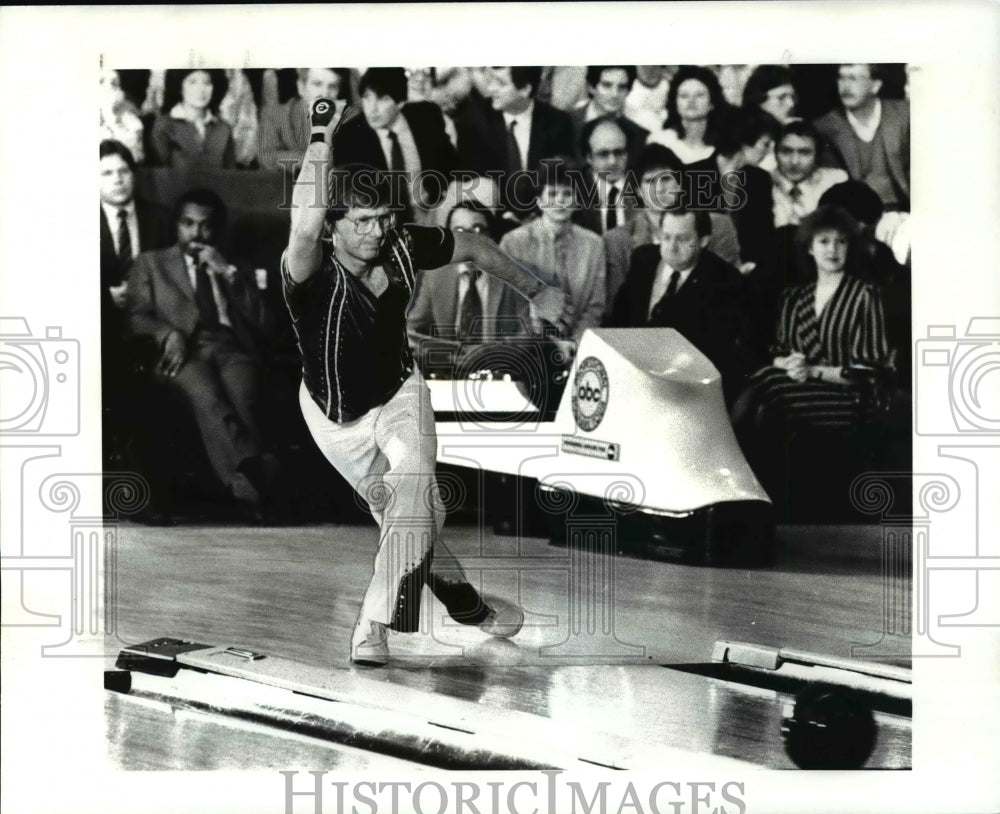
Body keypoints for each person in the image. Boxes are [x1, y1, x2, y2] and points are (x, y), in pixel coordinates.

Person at [283, 99, 567, 666]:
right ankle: (469, 608)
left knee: (414, 483)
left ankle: (373, 625)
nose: (376, 231)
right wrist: (321, 134)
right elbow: (305, 213)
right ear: (333, 227)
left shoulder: (403, 244)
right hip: (332, 418)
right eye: (360, 221)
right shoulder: (307, 270)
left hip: (399, 393)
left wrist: (536, 290)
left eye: (384, 217)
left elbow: (473, 246)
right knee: (413, 517)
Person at [126, 188, 277, 514]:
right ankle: (254, 481)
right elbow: (136, 316)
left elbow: (265, 323)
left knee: (245, 396)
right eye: (188, 224)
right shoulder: (152, 264)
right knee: (208, 397)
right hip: (184, 351)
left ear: (216, 229)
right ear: (177, 225)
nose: (196, 233)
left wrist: (229, 274)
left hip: (230, 349)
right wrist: (166, 333)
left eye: (205, 226)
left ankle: (247, 481)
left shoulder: (236, 266)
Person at [733, 205, 890, 490]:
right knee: (767, 385)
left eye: (841, 242)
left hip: (850, 399)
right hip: (796, 390)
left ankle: (735, 466)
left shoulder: (864, 295)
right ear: (809, 247)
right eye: (824, 241)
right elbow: (779, 352)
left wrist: (813, 371)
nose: (833, 250)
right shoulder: (794, 297)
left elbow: (868, 371)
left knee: (764, 385)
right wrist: (788, 364)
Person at [609, 207, 754, 405]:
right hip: (632, 375)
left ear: (703, 241)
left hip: (687, 387)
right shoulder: (643, 260)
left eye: (683, 239)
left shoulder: (725, 281)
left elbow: (716, 353)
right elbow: (618, 321)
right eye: (666, 237)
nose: (672, 247)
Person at [407, 203, 533, 374]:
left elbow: (528, 336)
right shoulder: (435, 276)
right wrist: (449, 353)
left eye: (477, 230)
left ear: (491, 239)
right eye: (458, 232)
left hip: (502, 375)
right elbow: (410, 333)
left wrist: (488, 353)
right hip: (449, 375)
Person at [499, 160, 606, 343]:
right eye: (552, 193)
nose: (560, 201)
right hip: (525, 346)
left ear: (577, 201)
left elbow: (595, 307)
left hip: (577, 347)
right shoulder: (514, 242)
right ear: (539, 201)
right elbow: (508, 305)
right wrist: (546, 346)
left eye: (567, 193)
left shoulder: (594, 245)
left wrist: (575, 344)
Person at [456, 66, 575, 218]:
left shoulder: (557, 124)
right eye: (491, 81)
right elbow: (470, 180)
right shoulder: (474, 120)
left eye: (501, 83)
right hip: (490, 219)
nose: (491, 88)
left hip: (541, 218)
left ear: (525, 89)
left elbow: (561, 181)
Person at [333, 67, 457, 215]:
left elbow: (452, 166)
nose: (372, 109)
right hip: (383, 222)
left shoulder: (428, 115)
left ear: (400, 103)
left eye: (383, 99)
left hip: (432, 214)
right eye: (367, 97)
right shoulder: (348, 135)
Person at [813, 64, 910, 211]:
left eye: (853, 78)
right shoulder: (825, 127)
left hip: (907, 208)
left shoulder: (905, 115)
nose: (845, 86)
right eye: (841, 78)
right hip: (857, 215)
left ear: (875, 86)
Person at [258, 68, 346, 172]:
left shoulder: (346, 120)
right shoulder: (275, 115)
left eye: (333, 86)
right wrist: (311, 159)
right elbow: (267, 157)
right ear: (301, 87)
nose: (325, 93)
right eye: (317, 84)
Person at [150, 69, 235, 169]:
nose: (201, 89)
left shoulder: (224, 129)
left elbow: (230, 176)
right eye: (193, 82)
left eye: (207, 83)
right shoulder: (164, 126)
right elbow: (160, 175)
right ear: (180, 86)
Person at [771, 120, 849, 228]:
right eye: (786, 151)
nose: (794, 161)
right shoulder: (763, 186)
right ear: (775, 153)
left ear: (817, 155)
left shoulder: (836, 181)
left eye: (804, 153)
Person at [568, 66, 648, 167]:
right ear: (591, 87)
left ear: (628, 91)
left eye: (622, 87)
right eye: (607, 85)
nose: (615, 94)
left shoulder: (639, 136)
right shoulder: (566, 123)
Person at [648, 65, 728, 165]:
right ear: (675, 103)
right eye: (684, 96)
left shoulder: (725, 147)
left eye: (699, 95)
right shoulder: (661, 141)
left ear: (712, 103)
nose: (691, 101)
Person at [572, 117, 639, 236]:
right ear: (588, 157)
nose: (612, 161)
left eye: (619, 152)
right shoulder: (574, 190)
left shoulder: (642, 185)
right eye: (603, 154)